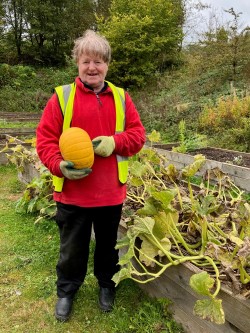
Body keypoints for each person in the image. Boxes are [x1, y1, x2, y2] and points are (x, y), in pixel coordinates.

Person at [36, 29, 146, 321]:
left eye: (98, 61)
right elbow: (45, 140)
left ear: (107, 65)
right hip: (73, 192)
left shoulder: (122, 98)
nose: (92, 67)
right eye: (86, 61)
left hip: (110, 191)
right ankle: (67, 292)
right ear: (78, 64)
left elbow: (137, 136)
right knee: (72, 249)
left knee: (108, 247)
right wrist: (59, 166)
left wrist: (115, 142)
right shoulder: (62, 97)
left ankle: (106, 285)